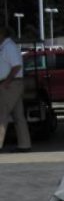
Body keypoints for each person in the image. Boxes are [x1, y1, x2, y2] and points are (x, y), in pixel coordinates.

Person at [0, 24, 31, 152]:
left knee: (1, 114)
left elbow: (17, 66)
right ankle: (24, 144)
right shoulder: (6, 47)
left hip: (10, 84)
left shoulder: (8, 47)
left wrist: (6, 82)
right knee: (18, 116)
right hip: (13, 84)